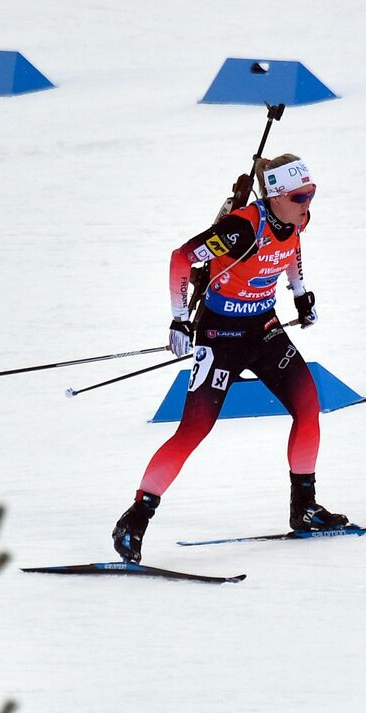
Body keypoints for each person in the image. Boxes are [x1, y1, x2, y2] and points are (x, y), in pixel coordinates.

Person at [111, 153, 350, 563]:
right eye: (298, 196)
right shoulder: (241, 229)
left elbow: (290, 250)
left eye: (311, 194)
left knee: (309, 406)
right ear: (274, 195)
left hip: (264, 329)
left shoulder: (297, 219)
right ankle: (135, 519)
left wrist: (300, 293)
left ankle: (305, 508)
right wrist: (179, 321)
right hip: (220, 333)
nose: (307, 203)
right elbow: (181, 257)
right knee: (194, 430)